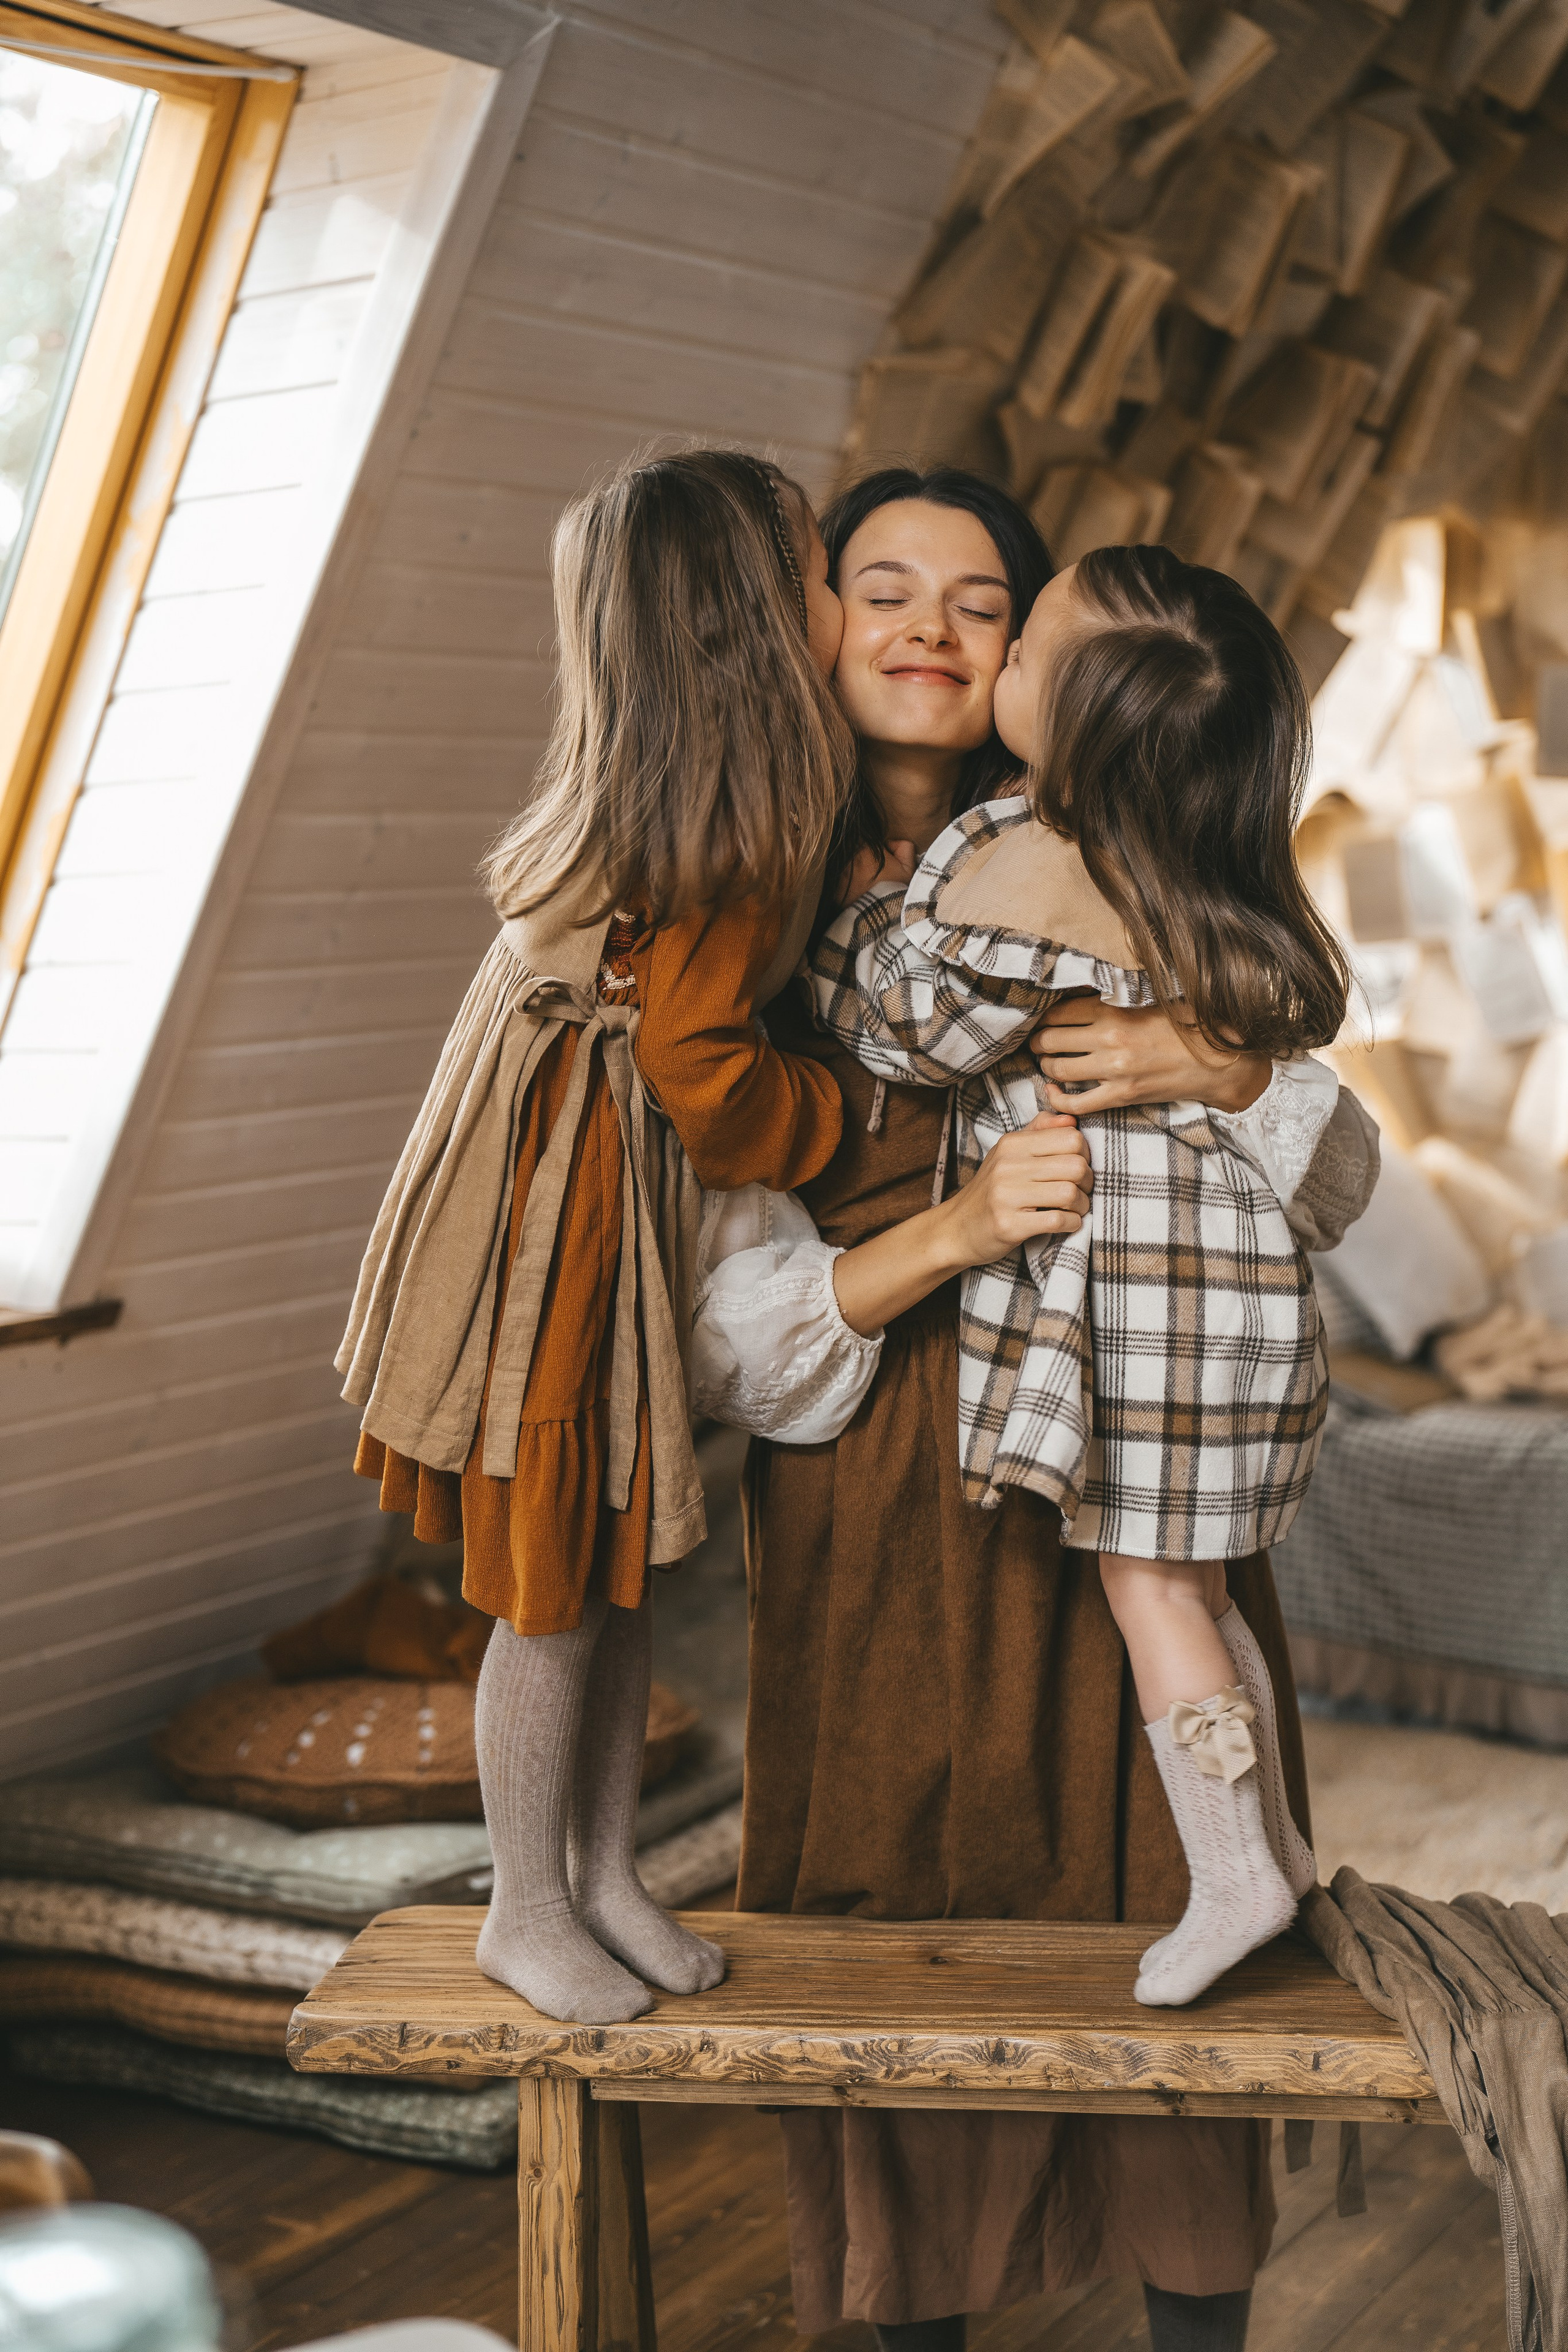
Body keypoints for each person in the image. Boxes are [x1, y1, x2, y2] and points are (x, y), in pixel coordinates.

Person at [692, 469, 1378, 2352]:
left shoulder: (1126, 845)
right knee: (900, 1960)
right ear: (813, 626)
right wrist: (957, 1231)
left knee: (1185, 1931)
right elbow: (726, 1345)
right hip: (885, 1508)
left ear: (1035, 670)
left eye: (982, 600)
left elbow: (1334, 1177)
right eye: (882, 586)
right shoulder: (742, 904)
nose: (928, 626)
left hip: (1118, 1471)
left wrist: (1212, 1056)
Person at [335, 448, 856, 2026]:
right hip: (556, 1226)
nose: (840, 602)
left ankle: (605, 1876)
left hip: (563, 1191)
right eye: (825, 575)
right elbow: (707, 1081)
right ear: (756, 620)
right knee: (551, 1588)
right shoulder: (728, 835)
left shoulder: (668, 784)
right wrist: (830, 1123)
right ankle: (524, 1900)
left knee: (610, 1566)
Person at [812, 543, 1370, 2010]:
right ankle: (1276, 1848)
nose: (979, 661)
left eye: (1012, 646)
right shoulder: (1199, 873)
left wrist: (862, 928)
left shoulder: (1028, 863)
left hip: (1138, 1322)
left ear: (1063, 724)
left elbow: (905, 1033)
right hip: (1243, 1318)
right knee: (1196, 1590)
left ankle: (1233, 1875)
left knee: (1151, 1594)